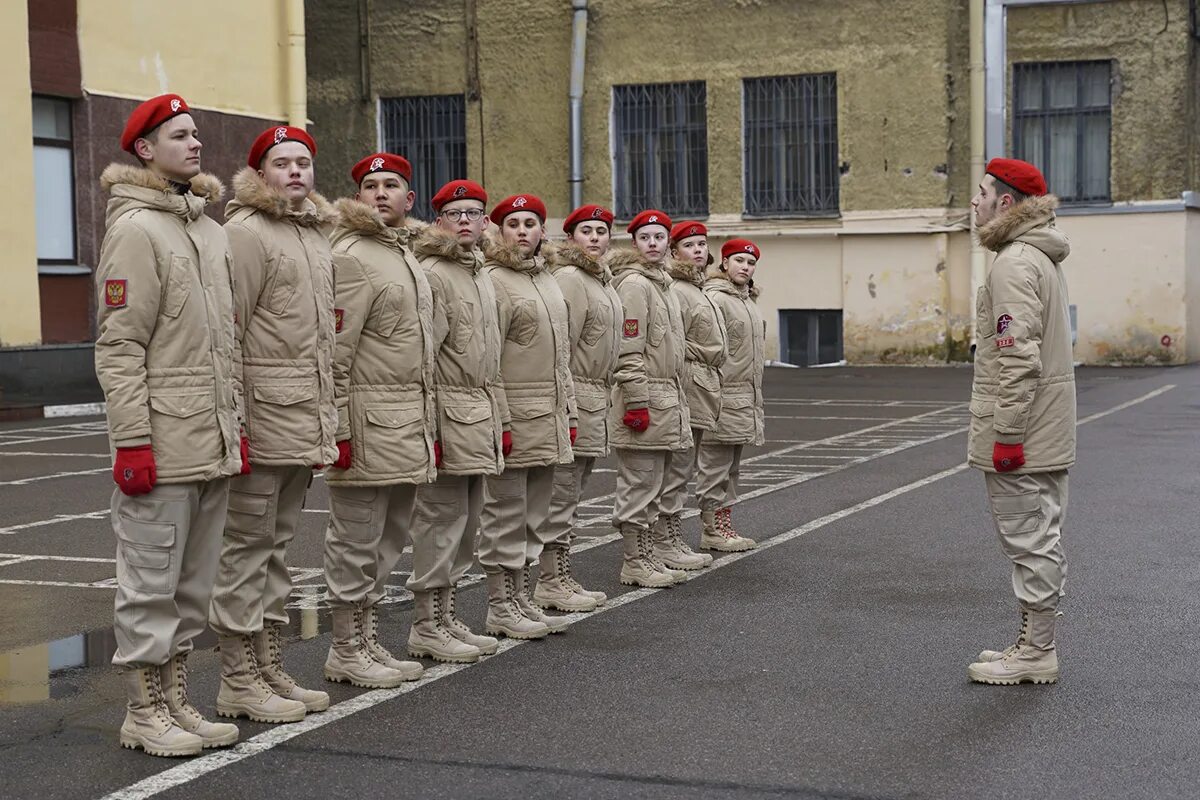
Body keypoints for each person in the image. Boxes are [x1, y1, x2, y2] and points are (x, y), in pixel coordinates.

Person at [95, 93, 243, 756]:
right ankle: (143, 711)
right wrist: (131, 441)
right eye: (179, 135)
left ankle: (177, 698)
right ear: (144, 150)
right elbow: (120, 344)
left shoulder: (208, 231)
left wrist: (233, 427)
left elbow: (226, 345)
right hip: (163, 436)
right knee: (149, 581)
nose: (195, 144)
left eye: (196, 135)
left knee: (192, 584)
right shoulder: (137, 229)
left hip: (209, 439)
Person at [209, 125, 337, 723]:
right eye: (281, 162)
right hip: (261, 418)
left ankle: (269, 665)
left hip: (299, 419)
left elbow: (321, 344)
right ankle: (238, 677)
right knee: (246, 549)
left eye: (303, 162)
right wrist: (236, 424)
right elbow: (227, 337)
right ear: (259, 174)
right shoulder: (247, 233)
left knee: (277, 550)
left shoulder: (312, 235)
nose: (295, 172)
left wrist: (323, 423)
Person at [321, 153, 433, 688]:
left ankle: (367, 639)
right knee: (356, 538)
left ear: (410, 200)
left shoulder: (402, 253)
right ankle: (345, 647)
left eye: (392, 185)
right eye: (371, 185)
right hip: (366, 421)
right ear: (357, 196)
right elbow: (334, 352)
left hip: (404, 420)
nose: (381, 193)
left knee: (388, 538)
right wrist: (339, 428)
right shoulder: (351, 255)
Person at [965, 158, 1075, 686]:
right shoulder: (1039, 257)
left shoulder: (1013, 262)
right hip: (1046, 425)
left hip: (1024, 430)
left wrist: (1007, 435)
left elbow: (1018, 357)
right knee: (1039, 534)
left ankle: (1036, 652)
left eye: (982, 191)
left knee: (1028, 538)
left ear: (1005, 203)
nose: (974, 200)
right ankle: (1033, 642)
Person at [405, 179, 504, 662]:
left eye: (474, 212)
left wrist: (498, 421)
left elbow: (493, 360)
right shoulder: (434, 272)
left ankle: (445, 615)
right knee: (439, 523)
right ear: (438, 219)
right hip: (447, 413)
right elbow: (423, 359)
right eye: (455, 213)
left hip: (477, 414)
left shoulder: (479, 271)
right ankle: (426, 622)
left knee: (465, 526)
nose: (465, 220)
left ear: (485, 222)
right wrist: (431, 430)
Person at [477, 194, 576, 637]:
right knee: (505, 513)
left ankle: (520, 594)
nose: (522, 230)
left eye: (530, 223)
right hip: (515, 414)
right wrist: (499, 422)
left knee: (534, 513)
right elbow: (488, 359)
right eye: (513, 223)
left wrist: (568, 411)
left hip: (548, 414)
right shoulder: (494, 280)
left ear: (542, 231)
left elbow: (562, 358)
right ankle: (500, 603)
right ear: (499, 231)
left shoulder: (547, 279)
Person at [533, 204, 622, 612]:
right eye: (586, 231)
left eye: (601, 231)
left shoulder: (600, 279)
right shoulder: (571, 278)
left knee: (572, 491)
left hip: (595, 397)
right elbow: (561, 347)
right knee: (561, 493)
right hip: (575, 395)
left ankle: (559, 574)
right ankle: (551, 579)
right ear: (571, 238)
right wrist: (566, 405)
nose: (595, 238)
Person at [608, 210, 692, 588]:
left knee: (655, 483)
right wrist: (637, 401)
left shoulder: (665, 284)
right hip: (646, 397)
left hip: (667, 394)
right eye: (646, 237)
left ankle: (649, 555)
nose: (654, 243)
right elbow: (629, 350)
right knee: (639, 484)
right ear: (634, 243)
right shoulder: (635, 285)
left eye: (660, 236)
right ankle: (634, 561)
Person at [655, 221, 728, 567]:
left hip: (704, 384)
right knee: (677, 466)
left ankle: (673, 538)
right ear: (674, 252)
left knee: (683, 468)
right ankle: (664, 541)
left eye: (702, 243)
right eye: (689, 244)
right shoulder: (679, 289)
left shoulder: (699, 287)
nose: (698, 249)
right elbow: (675, 341)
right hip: (688, 382)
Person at [699, 239, 766, 551]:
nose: (745, 267)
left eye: (750, 263)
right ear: (723, 263)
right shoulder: (716, 298)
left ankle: (724, 523)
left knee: (731, 468)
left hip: (745, 397)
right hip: (722, 395)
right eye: (738, 260)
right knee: (715, 465)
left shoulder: (747, 300)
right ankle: (712, 528)